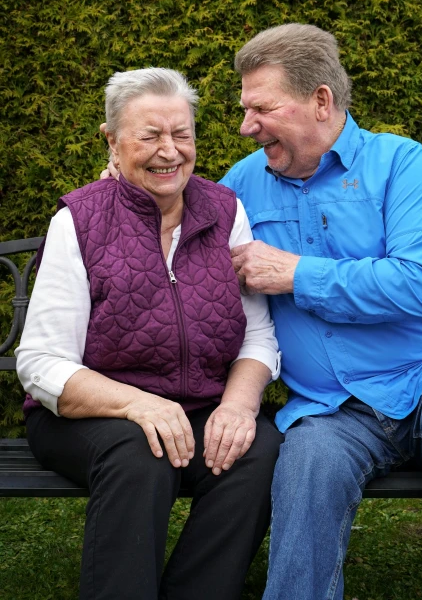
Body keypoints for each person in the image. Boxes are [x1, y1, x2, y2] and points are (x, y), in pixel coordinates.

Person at [219, 23, 422, 600]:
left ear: (321, 101)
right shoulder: (240, 185)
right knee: (306, 468)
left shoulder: (399, 162)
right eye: (244, 108)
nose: (245, 126)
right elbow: (174, 232)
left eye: (261, 108)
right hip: (331, 409)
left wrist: (296, 274)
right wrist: (122, 189)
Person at [16, 67, 283, 600]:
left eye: (181, 134)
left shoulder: (224, 211)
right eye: (150, 135)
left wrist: (237, 405)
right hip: (88, 415)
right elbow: (42, 362)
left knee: (259, 451)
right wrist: (139, 405)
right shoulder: (79, 220)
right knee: (142, 452)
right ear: (113, 142)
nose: (170, 151)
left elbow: (256, 336)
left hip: (197, 406)